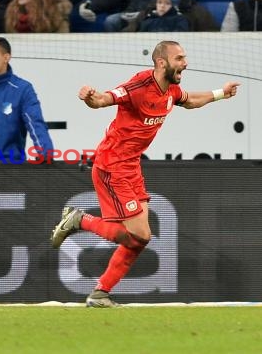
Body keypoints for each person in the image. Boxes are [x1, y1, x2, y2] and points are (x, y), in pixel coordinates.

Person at [51, 40, 239, 307]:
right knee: (141, 236)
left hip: (131, 167)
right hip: (111, 165)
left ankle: (100, 293)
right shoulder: (139, 85)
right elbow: (105, 99)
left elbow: (191, 100)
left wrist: (221, 93)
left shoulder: (171, 90)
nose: (185, 63)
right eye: (179, 58)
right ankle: (79, 220)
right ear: (162, 62)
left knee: (136, 241)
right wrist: (91, 97)